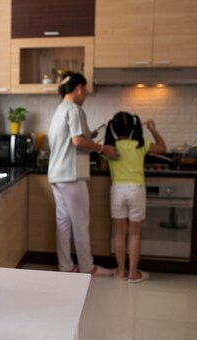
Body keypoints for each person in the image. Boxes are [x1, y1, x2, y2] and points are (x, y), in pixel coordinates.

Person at [47, 71, 118, 276]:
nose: (85, 94)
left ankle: (66, 266)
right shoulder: (74, 109)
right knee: (80, 222)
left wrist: (91, 137)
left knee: (63, 222)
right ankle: (88, 267)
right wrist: (103, 148)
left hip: (57, 174)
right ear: (79, 88)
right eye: (85, 90)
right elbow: (77, 141)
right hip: (72, 174)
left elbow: (74, 139)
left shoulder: (60, 109)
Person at [103, 111, 166, 282]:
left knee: (119, 234)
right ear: (133, 126)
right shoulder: (141, 144)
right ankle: (133, 274)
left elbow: (103, 167)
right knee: (135, 234)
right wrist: (153, 129)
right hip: (136, 190)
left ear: (113, 128)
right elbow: (163, 147)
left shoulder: (109, 147)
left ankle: (121, 272)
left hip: (117, 190)